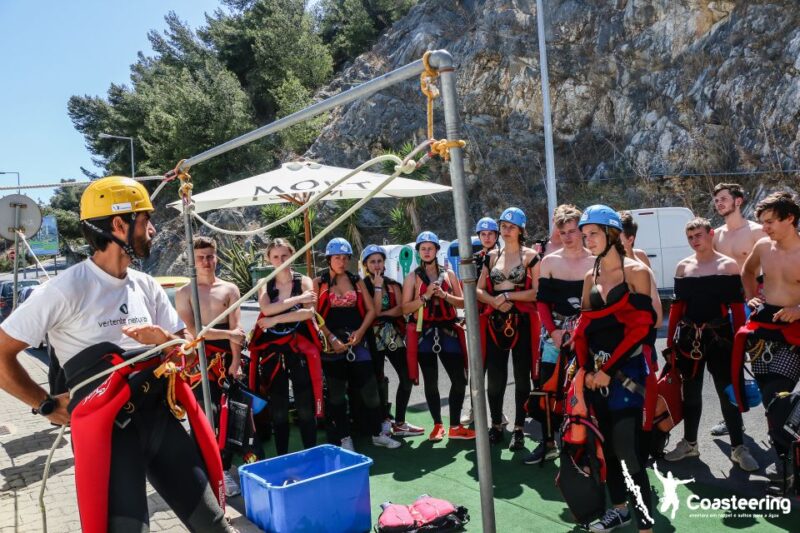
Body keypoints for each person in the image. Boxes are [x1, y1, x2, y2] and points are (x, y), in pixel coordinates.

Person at [0, 176, 234, 532]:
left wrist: (165, 342)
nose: (153, 230)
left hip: (160, 421)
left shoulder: (146, 286)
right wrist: (45, 404)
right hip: (108, 437)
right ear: (119, 224)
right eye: (145, 220)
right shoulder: (63, 290)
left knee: (216, 526)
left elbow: (186, 352)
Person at [573, 205, 656, 533]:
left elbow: (643, 328)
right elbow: (582, 330)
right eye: (584, 235)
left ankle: (646, 525)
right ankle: (619, 510)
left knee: (627, 452)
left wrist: (608, 369)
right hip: (596, 377)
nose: (587, 240)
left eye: (593, 233)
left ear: (611, 235)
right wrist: (583, 370)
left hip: (627, 373)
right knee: (606, 448)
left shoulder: (637, 272)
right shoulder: (588, 276)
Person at [662, 218, 758, 471]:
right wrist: (671, 341)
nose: (695, 240)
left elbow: (738, 310)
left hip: (721, 338)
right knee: (690, 394)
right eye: (690, 237)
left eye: (699, 235)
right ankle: (690, 443)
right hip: (689, 339)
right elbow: (677, 308)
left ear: (710, 234)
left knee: (728, 392)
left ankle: (739, 447)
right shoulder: (684, 267)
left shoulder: (727, 266)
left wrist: (741, 342)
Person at [734, 191, 800, 491]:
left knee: (786, 405)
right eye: (762, 222)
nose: (765, 228)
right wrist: (751, 297)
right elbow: (747, 271)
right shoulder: (763, 245)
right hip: (768, 331)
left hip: (797, 327)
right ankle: (787, 468)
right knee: (776, 403)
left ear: (790, 219)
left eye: (771, 221)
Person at [175, 236, 250, 497]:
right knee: (204, 416)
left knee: (229, 417)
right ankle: (205, 472)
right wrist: (229, 336)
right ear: (192, 261)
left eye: (209, 256)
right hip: (198, 362)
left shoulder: (230, 289)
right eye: (200, 258)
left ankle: (225, 470)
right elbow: (193, 332)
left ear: (216, 257)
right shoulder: (185, 292)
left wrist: (236, 361)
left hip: (226, 359)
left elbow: (236, 329)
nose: (206, 262)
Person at [314, 237, 401, 450]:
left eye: (345, 258)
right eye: (337, 258)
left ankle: (376, 433)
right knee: (336, 395)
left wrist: (361, 332)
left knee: (370, 390)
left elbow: (371, 309)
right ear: (329, 259)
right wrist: (331, 338)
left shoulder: (356, 280)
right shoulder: (319, 282)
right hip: (330, 345)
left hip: (357, 342)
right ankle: (344, 438)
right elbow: (312, 314)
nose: (341, 262)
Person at [527, 204, 593, 464]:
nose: (567, 236)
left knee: (583, 389)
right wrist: (553, 331)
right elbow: (542, 302)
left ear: (583, 232)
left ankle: (582, 443)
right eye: (563, 231)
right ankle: (548, 443)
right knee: (546, 388)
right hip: (554, 333)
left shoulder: (594, 260)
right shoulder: (550, 262)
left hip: (586, 334)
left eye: (573, 231)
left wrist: (580, 331)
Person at [246, 238, 323, 457]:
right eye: (276, 257)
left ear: (292, 255)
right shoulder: (265, 284)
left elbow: (308, 313)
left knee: (305, 406)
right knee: (278, 409)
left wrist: (276, 320)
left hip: (300, 349)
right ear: (269, 259)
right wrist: (297, 299)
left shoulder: (305, 280)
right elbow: (267, 310)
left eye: (285, 255)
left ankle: (311, 453)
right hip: (273, 352)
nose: (281, 260)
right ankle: (282, 455)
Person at [476, 207, 540, 451]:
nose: (506, 230)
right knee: (495, 378)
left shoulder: (530, 256)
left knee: (522, 377)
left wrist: (507, 294)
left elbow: (537, 290)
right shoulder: (492, 256)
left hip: (522, 322)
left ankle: (520, 428)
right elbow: (479, 289)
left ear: (521, 229)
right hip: (495, 322)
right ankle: (496, 424)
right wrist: (493, 301)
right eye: (503, 225)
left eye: (511, 226)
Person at [403, 231, 475, 441]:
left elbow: (462, 303)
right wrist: (424, 297)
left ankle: (454, 426)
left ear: (436, 250)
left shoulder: (449, 275)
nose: (426, 252)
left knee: (460, 380)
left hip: (448, 331)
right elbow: (405, 308)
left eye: (430, 248)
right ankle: (437, 425)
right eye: (423, 248)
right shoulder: (412, 277)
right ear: (419, 252)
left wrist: (444, 295)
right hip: (425, 334)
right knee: (431, 382)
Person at [710, 182, 766, 437]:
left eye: (724, 198)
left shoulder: (756, 232)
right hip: (726, 308)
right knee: (726, 366)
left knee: (763, 365)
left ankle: (772, 422)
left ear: (738, 201)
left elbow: (771, 268)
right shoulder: (717, 235)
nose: (719, 203)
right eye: (717, 199)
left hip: (754, 306)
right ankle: (732, 421)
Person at [361, 244, 424, 437]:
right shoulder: (362, 285)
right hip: (371, 338)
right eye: (372, 262)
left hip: (392, 335)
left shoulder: (393, 284)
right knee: (379, 379)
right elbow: (372, 310)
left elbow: (399, 308)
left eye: (380, 261)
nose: (377, 265)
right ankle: (383, 420)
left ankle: (400, 420)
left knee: (406, 376)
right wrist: (378, 288)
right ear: (366, 265)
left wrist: (381, 314)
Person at [461, 216, 502, 427]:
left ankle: (498, 412)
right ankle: (474, 408)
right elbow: (467, 291)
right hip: (477, 319)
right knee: (477, 367)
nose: (487, 237)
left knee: (497, 369)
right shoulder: (472, 260)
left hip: (500, 318)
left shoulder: (505, 258)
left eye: (491, 234)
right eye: (483, 234)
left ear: (497, 235)